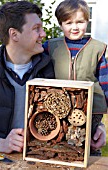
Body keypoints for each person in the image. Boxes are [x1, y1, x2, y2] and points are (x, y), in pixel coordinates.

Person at [0, 1, 54, 153]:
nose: (43, 34)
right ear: (14, 34)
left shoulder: (50, 68)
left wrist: (96, 127)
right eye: (36, 29)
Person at [43, 0, 108, 156]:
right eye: (68, 22)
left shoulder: (97, 48)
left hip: (90, 107)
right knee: (61, 140)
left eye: (80, 22)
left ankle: (91, 158)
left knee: (87, 141)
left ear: (87, 21)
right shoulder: (51, 46)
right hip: (59, 104)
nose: (75, 27)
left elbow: (104, 79)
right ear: (60, 24)